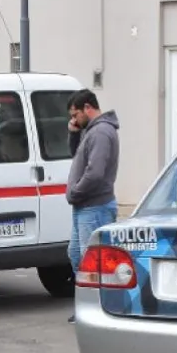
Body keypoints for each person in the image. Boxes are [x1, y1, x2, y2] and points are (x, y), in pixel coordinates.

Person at [66, 89, 120, 324]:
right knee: (76, 254)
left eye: (76, 114)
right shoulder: (90, 131)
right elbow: (77, 157)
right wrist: (73, 134)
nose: (73, 119)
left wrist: (76, 191)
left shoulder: (101, 132)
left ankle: (100, 308)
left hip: (94, 206)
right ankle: (87, 305)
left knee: (94, 261)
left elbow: (95, 172)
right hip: (85, 205)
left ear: (88, 108)